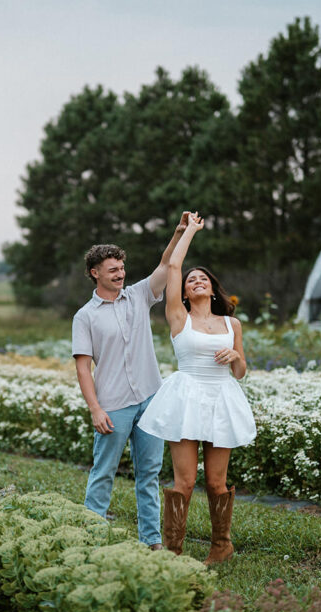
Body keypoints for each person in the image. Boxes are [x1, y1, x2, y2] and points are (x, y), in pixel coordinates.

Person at [138, 211, 256, 565]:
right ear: (185, 293)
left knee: (217, 484)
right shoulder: (179, 317)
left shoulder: (231, 322)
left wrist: (236, 354)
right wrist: (189, 230)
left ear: (213, 287)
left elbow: (240, 372)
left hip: (222, 396)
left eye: (203, 278)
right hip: (186, 397)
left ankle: (222, 546)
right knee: (185, 482)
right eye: (192, 280)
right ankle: (174, 552)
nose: (196, 280)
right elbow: (173, 268)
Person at [72, 214, 190, 550]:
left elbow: (167, 266)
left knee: (149, 475)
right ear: (95, 273)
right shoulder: (85, 316)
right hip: (113, 406)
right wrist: (95, 409)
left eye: (122, 268)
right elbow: (83, 368)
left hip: (151, 399)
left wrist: (178, 233)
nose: (120, 274)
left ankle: (151, 543)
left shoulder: (139, 295)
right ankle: (90, 539)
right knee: (103, 473)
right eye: (113, 270)